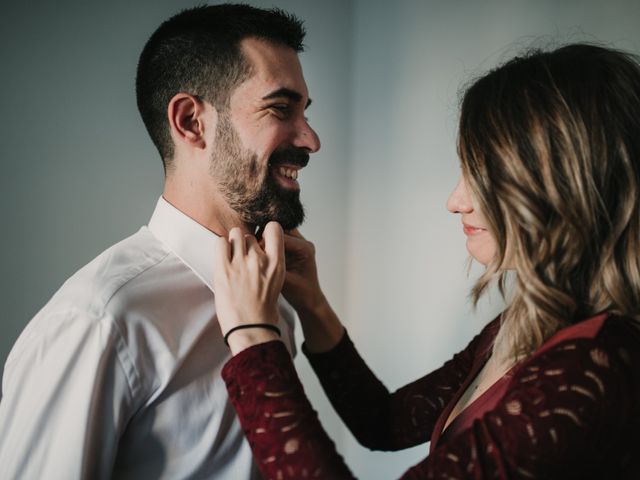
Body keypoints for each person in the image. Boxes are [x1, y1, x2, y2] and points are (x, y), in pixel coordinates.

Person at [212, 43, 640, 479]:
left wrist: (253, 337)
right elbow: (386, 421)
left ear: (569, 184)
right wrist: (313, 304)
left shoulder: (598, 368)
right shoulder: (531, 322)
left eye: (483, 176)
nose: (455, 201)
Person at [0, 4, 319, 479]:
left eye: (305, 113)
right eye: (280, 109)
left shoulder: (279, 309)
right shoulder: (99, 323)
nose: (311, 140)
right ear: (192, 121)